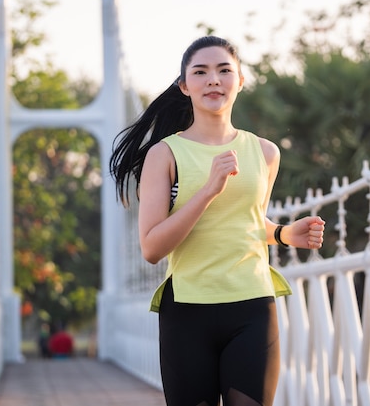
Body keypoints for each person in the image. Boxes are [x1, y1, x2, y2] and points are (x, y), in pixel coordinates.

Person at [110, 35, 325, 406]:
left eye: (225, 70)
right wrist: (208, 190)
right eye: (201, 72)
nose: (214, 79)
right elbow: (152, 248)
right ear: (185, 86)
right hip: (188, 312)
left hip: (253, 304)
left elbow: (246, 223)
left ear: (240, 81)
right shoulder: (165, 155)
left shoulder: (265, 152)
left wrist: (285, 234)